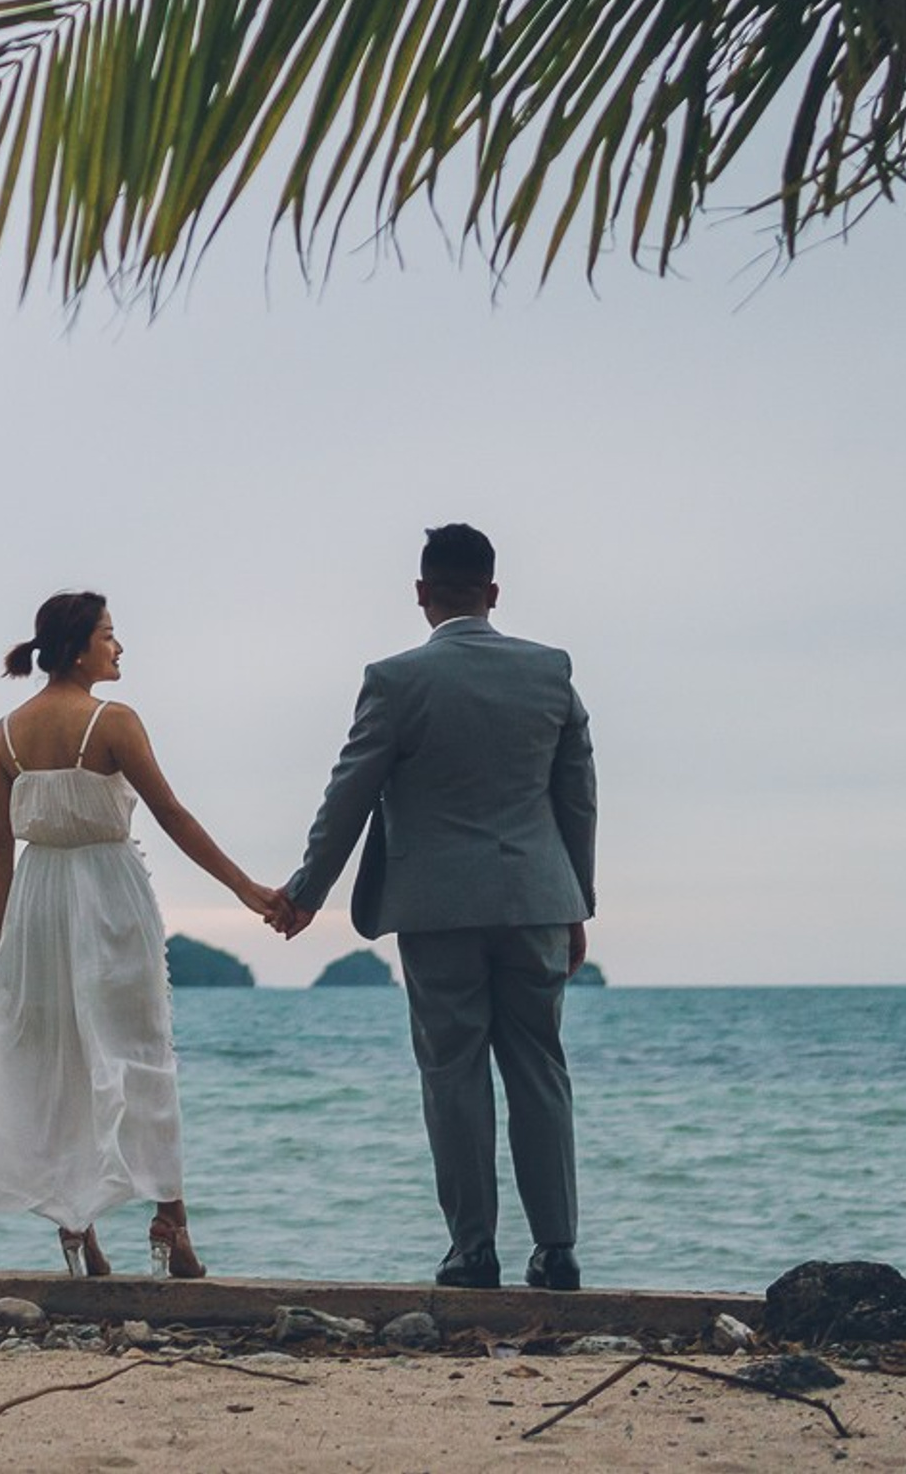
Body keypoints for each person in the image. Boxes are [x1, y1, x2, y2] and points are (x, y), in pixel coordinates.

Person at [266, 523, 597, 1291]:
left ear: (421, 595)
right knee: (541, 1072)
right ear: (494, 592)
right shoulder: (551, 673)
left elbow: (348, 791)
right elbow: (576, 795)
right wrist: (576, 901)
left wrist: (306, 894)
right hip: (536, 901)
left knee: (453, 1076)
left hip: (436, 911)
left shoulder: (395, 681)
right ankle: (557, 1252)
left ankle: (472, 1253)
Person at [0, 590, 284, 1278]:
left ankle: (79, 1234)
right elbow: (173, 816)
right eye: (109, 635)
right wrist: (247, 889)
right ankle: (171, 1223)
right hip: (108, 899)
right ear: (77, 649)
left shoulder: (6, 731)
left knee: (59, 1062)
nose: (119, 646)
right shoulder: (112, 721)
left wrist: (5, 931)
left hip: (36, 907)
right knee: (141, 1052)